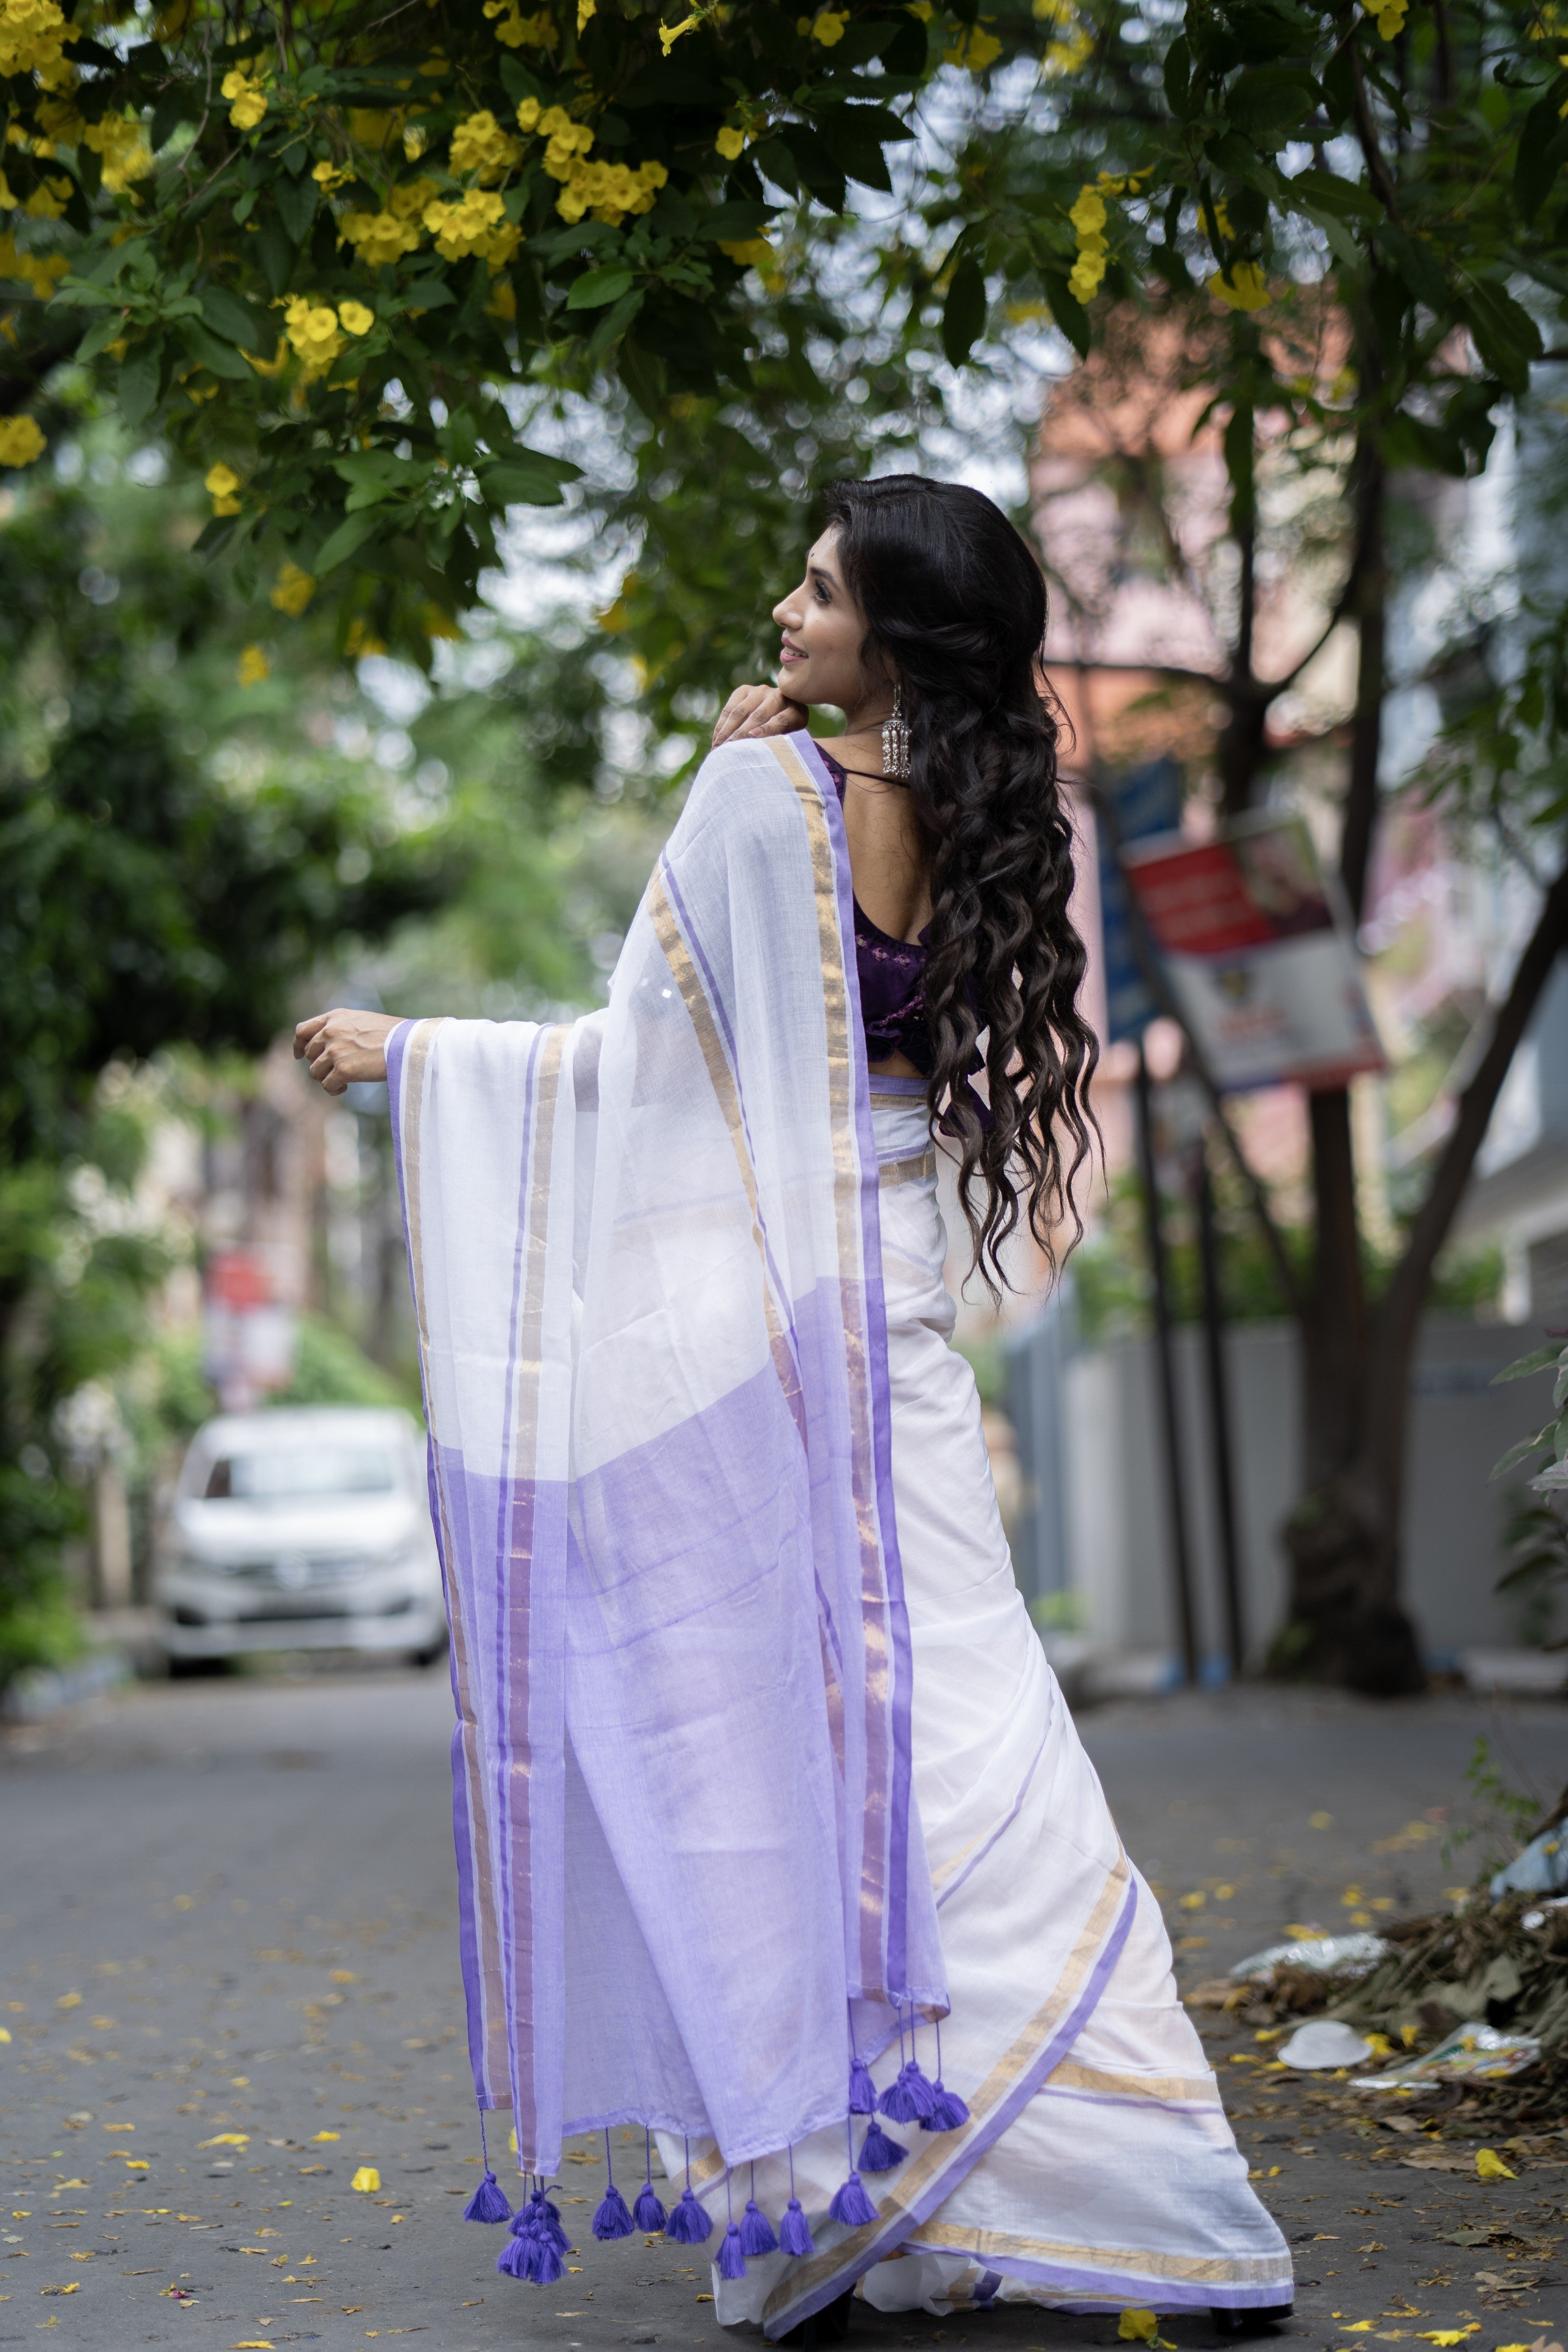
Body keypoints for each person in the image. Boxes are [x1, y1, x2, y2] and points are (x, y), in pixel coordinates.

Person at [296, 475, 1292, 2339]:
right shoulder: (980, 818)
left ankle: (814, 2187)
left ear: (891, 637)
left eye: (818, 589)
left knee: (745, 1742)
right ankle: (1147, 2183)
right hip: (890, 1322)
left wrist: (408, 1052)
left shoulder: (762, 799)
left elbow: (646, 1070)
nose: (783, 607)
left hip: (753, 1332)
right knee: (969, 1724)